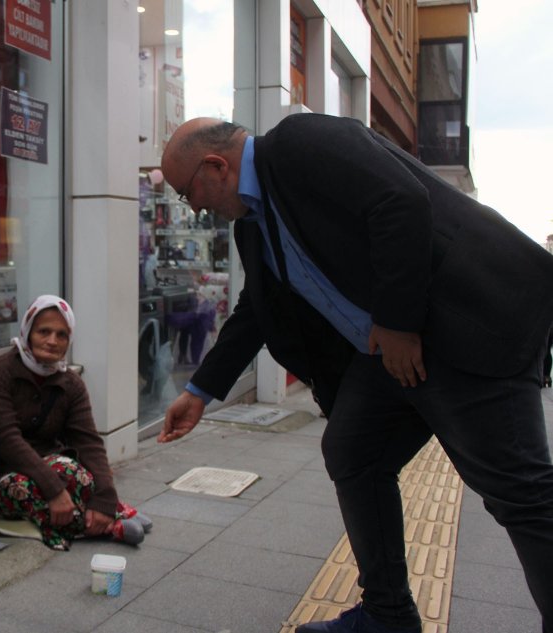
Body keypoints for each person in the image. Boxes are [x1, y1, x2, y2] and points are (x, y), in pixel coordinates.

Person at [156, 114, 553, 633]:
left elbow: (400, 201)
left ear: (216, 165)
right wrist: (200, 391)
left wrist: (397, 323)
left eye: (189, 192)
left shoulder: (300, 143)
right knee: (353, 451)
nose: (197, 207)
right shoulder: (253, 225)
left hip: (463, 329)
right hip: (387, 354)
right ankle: (388, 616)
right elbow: (256, 308)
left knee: (519, 493)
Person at [0, 295, 151, 551]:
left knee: (77, 473)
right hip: (1, 472)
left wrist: (105, 496)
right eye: (44, 331)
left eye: (61, 334)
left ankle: (104, 511)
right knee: (25, 489)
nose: (52, 341)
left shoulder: (70, 383)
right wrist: (55, 491)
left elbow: (88, 441)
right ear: (27, 331)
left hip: (50, 466)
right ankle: (111, 523)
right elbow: (6, 439)